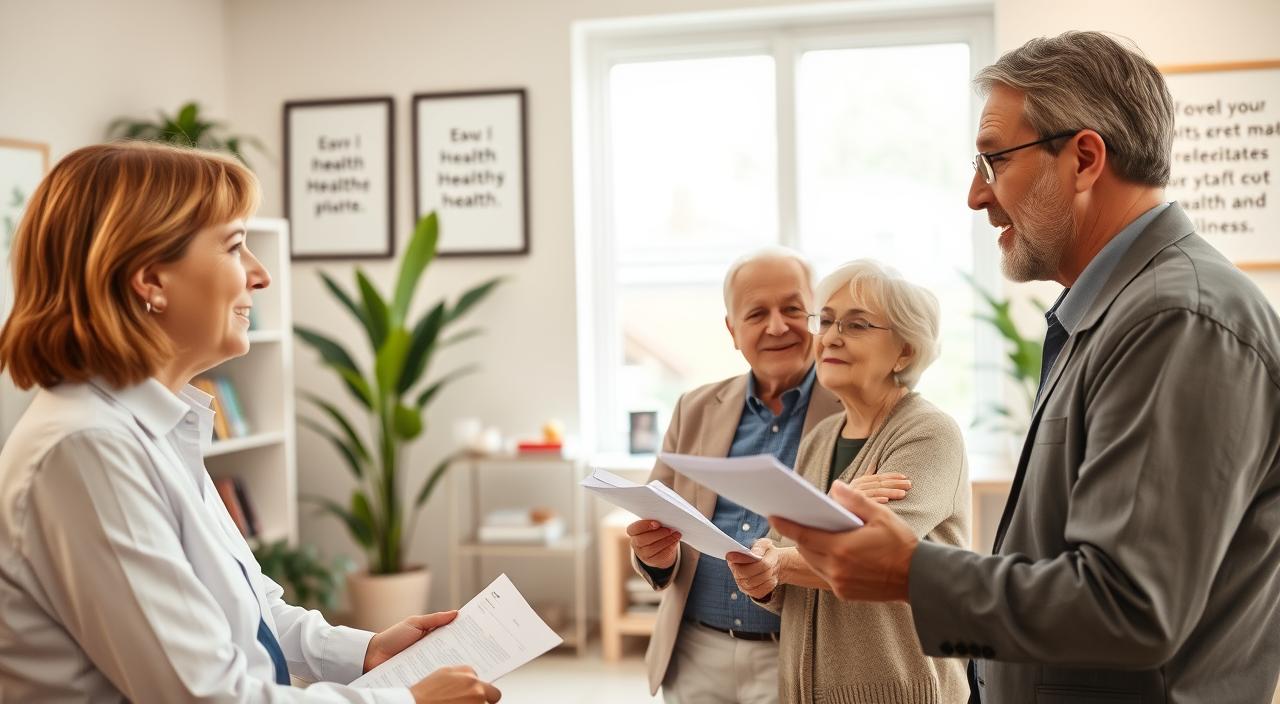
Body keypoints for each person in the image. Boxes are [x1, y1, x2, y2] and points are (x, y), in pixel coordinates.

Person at [771, 31, 1280, 704]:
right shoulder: (1120, 312)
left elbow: (1129, 604)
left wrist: (912, 574)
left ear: (1084, 159)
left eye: (994, 162)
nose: (975, 196)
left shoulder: (1174, 318)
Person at [0, 142, 501, 703]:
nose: (260, 276)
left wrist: (364, 652)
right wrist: (408, 701)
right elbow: (204, 696)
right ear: (150, 280)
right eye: (235, 247)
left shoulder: (151, 428)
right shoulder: (88, 449)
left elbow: (247, 612)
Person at [727, 259, 969, 703]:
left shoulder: (929, 433)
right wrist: (765, 576)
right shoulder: (820, 438)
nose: (831, 337)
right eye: (826, 321)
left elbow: (870, 559)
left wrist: (783, 558)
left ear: (905, 350)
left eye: (856, 325)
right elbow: (785, 564)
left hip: (900, 692)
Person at [625, 247, 846, 703]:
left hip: (796, 652)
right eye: (757, 313)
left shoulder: (853, 410)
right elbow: (655, 514)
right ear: (733, 330)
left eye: (792, 309)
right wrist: (653, 555)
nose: (777, 327)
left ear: (818, 317)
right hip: (694, 650)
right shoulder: (694, 407)